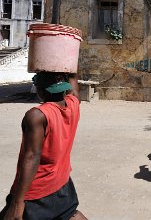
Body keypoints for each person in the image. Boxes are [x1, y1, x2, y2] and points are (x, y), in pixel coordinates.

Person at [0, 72, 88, 220]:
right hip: (62, 183)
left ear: (40, 90)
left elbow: (32, 157)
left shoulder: (37, 115)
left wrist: (18, 202)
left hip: (36, 192)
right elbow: (74, 82)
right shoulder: (73, 103)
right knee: (68, 214)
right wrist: (67, 64)